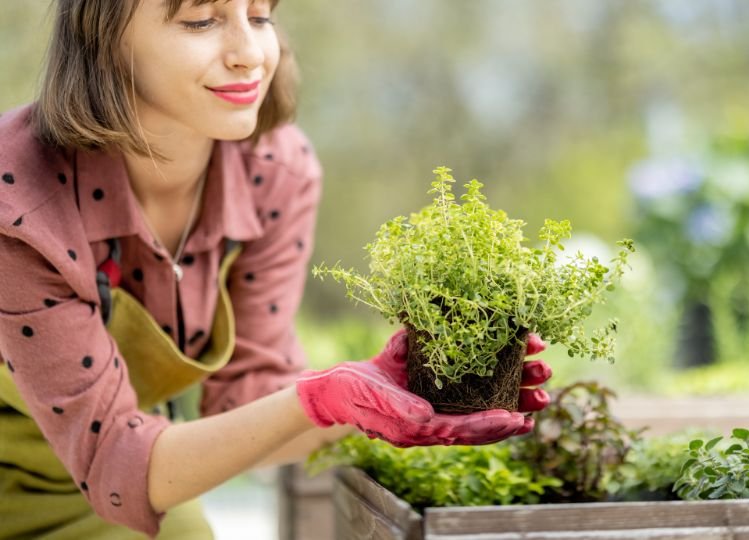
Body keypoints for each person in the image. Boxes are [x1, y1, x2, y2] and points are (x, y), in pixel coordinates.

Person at [0, 0, 553, 537]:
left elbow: (249, 400)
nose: (250, 53)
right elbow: (115, 464)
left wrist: (383, 396)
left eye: (260, 15)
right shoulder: (20, 200)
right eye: (200, 19)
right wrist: (319, 399)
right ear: (103, 38)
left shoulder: (273, 170)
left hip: (110, 481)